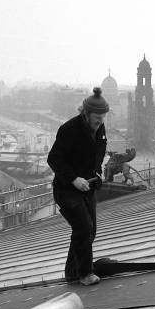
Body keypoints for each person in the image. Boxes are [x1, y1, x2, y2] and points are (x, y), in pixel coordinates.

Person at [47, 87, 108, 286]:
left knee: (90, 231)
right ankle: (84, 274)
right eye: (97, 117)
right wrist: (74, 179)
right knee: (83, 227)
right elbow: (53, 159)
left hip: (87, 188)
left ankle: (72, 272)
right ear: (86, 113)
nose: (100, 121)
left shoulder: (100, 129)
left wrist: (97, 171)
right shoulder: (69, 129)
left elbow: (98, 154)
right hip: (66, 190)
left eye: (103, 117)